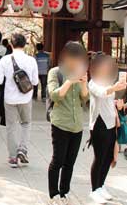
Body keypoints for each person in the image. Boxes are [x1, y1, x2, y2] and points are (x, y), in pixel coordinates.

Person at [47, 41, 89, 204]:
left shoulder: (81, 73)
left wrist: (84, 83)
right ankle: (53, 194)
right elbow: (54, 95)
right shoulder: (55, 72)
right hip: (60, 123)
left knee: (70, 162)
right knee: (58, 160)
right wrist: (70, 80)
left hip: (77, 124)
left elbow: (85, 98)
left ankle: (64, 192)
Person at [88, 53, 127, 204]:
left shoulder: (108, 81)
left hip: (111, 123)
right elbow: (102, 93)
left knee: (108, 157)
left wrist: (118, 102)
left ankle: (101, 185)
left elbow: (109, 97)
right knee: (99, 157)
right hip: (99, 124)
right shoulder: (93, 82)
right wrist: (114, 88)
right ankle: (94, 189)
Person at [0, 33, 39, 168]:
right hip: (25, 98)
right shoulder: (31, 60)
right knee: (26, 123)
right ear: (25, 44)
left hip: (9, 98)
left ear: (10, 45)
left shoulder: (4, 60)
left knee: (11, 127)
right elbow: (35, 81)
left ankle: (13, 158)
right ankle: (23, 149)